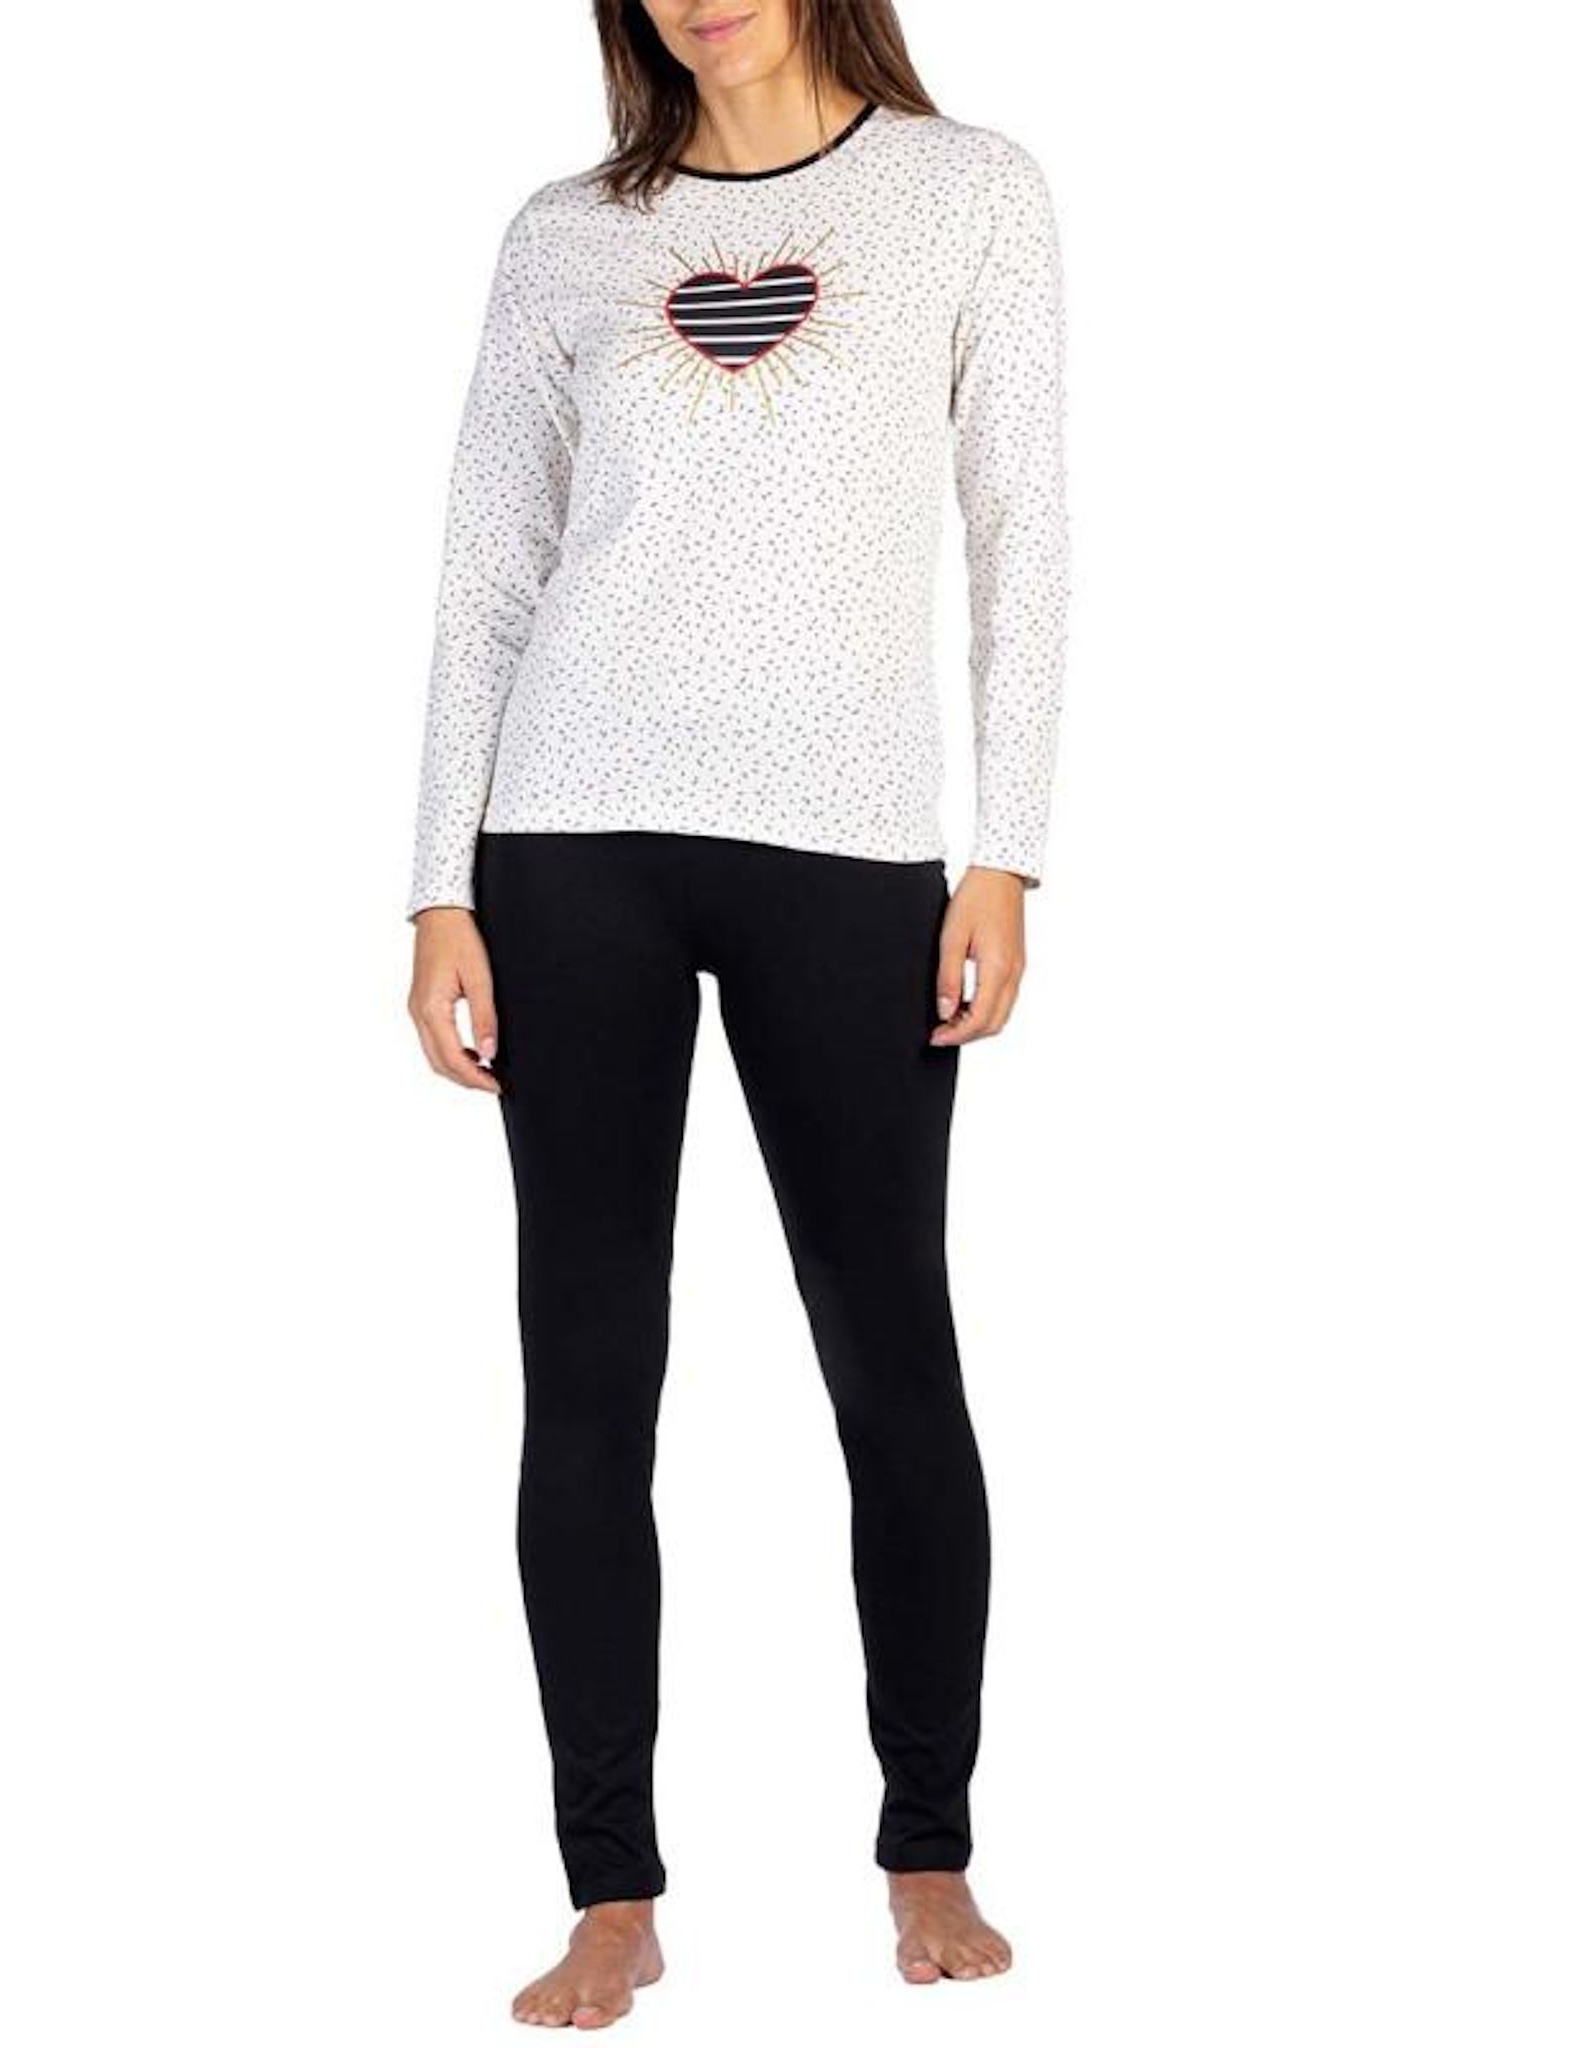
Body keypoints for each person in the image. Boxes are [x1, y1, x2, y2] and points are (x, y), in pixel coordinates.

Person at [403, 0, 1067, 2026]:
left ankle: (928, 1844)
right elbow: (488, 562)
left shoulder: (968, 194)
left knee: (891, 1352)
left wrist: (1007, 852)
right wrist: (440, 881)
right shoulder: (565, 231)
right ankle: (611, 1889)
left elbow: (1023, 526)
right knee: (588, 1374)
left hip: (848, 847)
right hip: (570, 838)